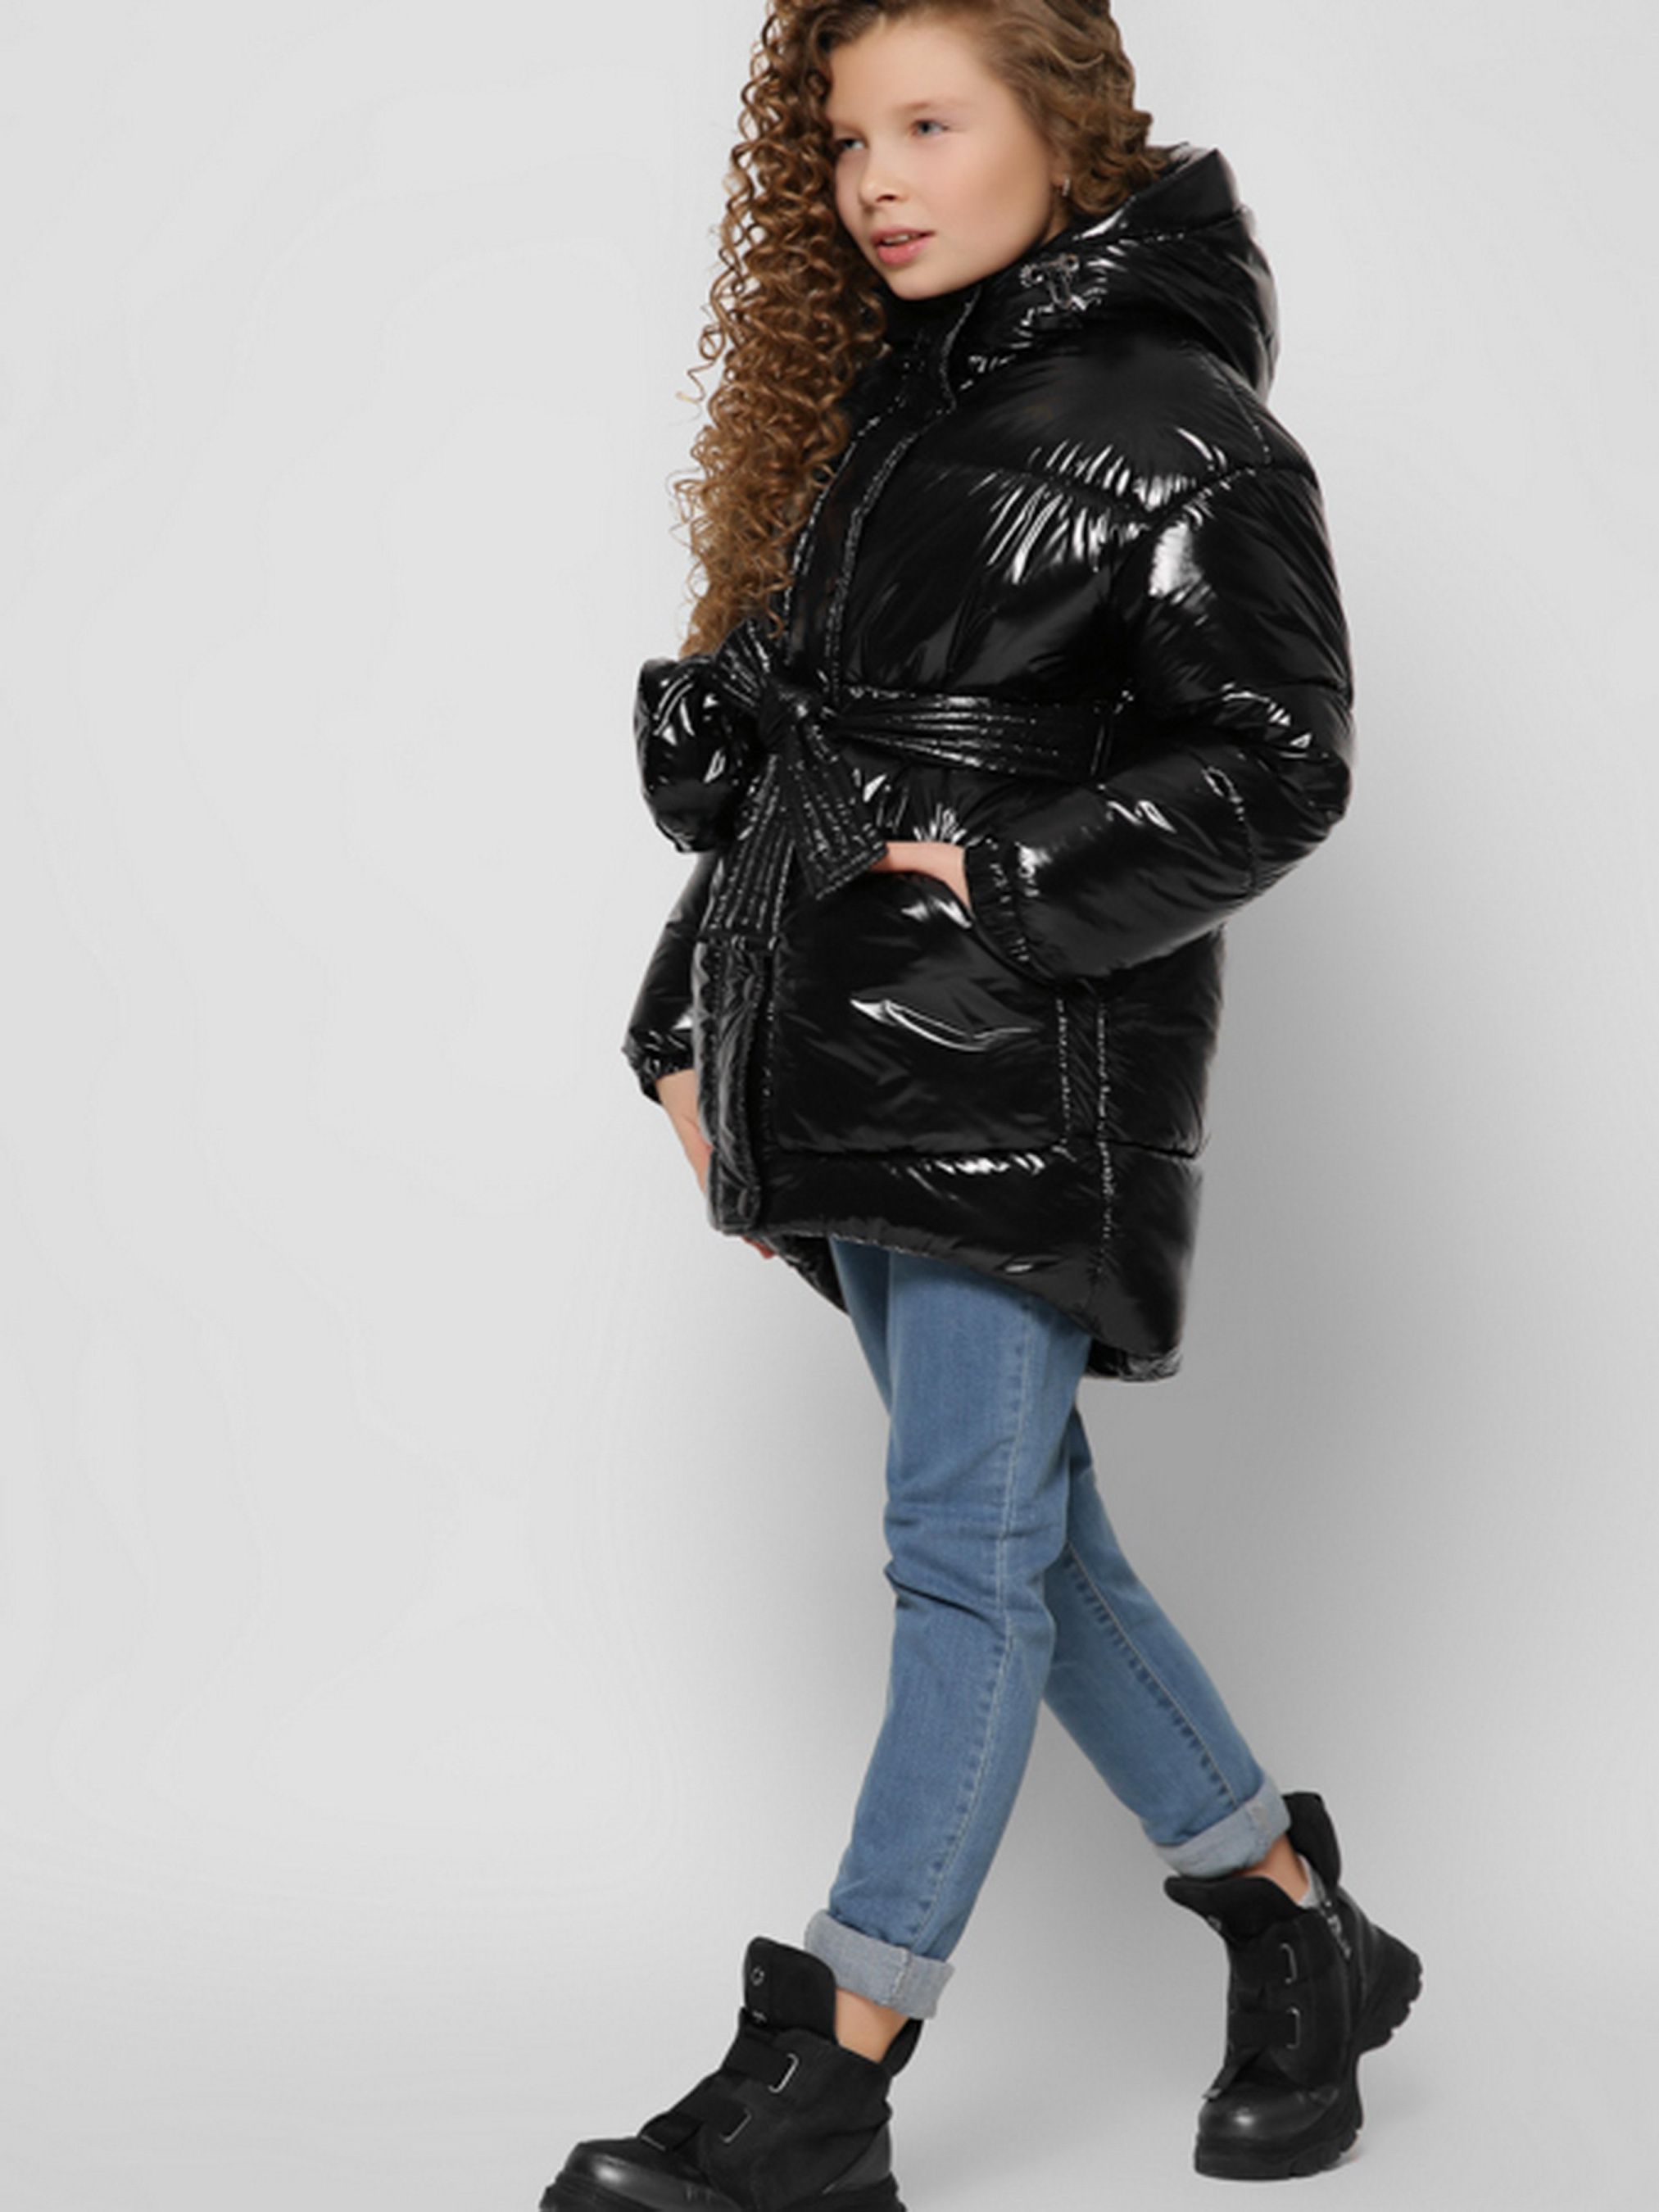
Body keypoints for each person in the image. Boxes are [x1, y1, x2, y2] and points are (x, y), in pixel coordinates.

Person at [543, 3, 1420, 2205]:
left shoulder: (1185, 434)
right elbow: (823, 767)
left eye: (927, 125)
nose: (876, 181)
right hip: (843, 1047)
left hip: (1018, 1056)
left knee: (963, 1557)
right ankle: (1293, 1925)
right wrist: (686, 1019)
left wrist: (1008, 878)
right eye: (846, 139)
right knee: (1035, 1538)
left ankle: (832, 2068)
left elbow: (1278, 759)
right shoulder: (897, 411)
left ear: (1065, 126)